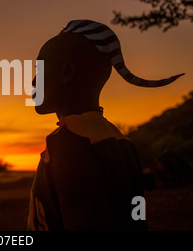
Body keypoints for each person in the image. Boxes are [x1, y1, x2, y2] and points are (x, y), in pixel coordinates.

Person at [27, 19, 184, 231]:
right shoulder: (120, 140)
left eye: (40, 68)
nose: (34, 81)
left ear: (68, 72)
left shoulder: (71, 146)